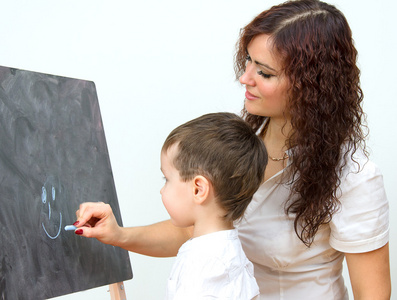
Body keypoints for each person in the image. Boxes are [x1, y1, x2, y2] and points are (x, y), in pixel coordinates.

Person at [74, 0, 391, 299]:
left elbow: (372, 295)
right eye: (248, 61)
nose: (245, 78)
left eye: (264, 72)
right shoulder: (243, 142)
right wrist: (117, 235)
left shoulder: (354, 179)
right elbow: (198, 230)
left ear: (310, 87)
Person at [79, 112, 268, 299]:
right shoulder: (230, 252)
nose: (162, 190)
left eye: (167, 179)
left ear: (198, 189)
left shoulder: (202, 264)